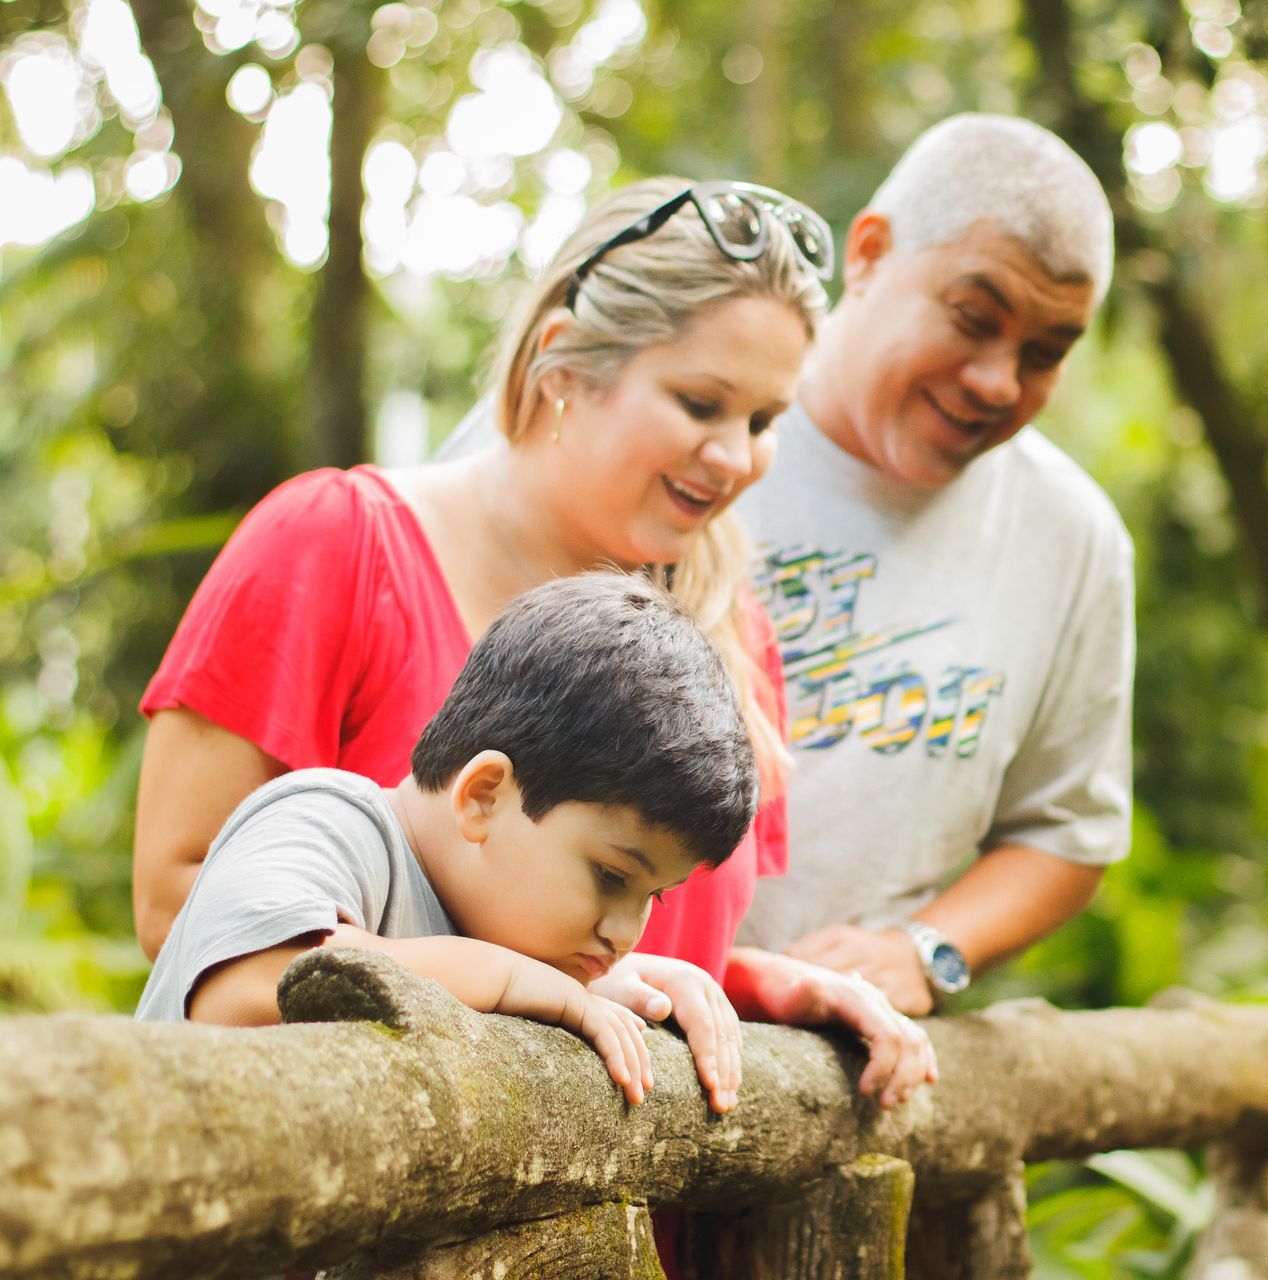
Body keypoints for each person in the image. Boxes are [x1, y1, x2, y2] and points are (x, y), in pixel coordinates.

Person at [132, 176, 934, 1116]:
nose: (735, 457)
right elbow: (190, 915)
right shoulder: (335, 543)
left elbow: (642, 944)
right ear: (561, 364)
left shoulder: (736, 641)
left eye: (762, 422)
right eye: (700, 402)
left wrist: (768, 990)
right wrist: (527, 990)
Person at [733, 115, 1136, 1016]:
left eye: (1044, 354)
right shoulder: (680, 421)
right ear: (869, 254)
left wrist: (925, 950)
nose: (998, 382)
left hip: (847, 1075)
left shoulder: (1071, 537)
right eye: (973, 320)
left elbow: (1068, 828)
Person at [137, 574, 758, 1107]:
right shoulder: (326, 820)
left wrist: (595, 986)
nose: (626, 933)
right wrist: (515, 981)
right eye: (613, 877)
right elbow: (248, 989)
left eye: (658, 896)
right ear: (484, 795)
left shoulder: (492, 921)